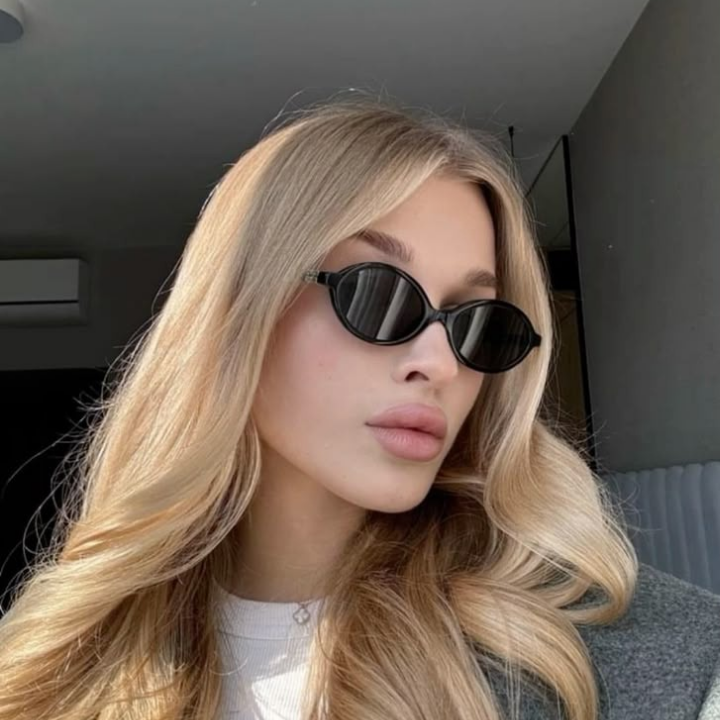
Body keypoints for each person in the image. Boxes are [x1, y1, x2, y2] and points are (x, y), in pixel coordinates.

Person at [0, 93, 718, 720]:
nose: (441, 363)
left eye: (477, 323)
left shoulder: (638, 655)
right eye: (378, 294)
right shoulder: (61, 661)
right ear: (238, 311)